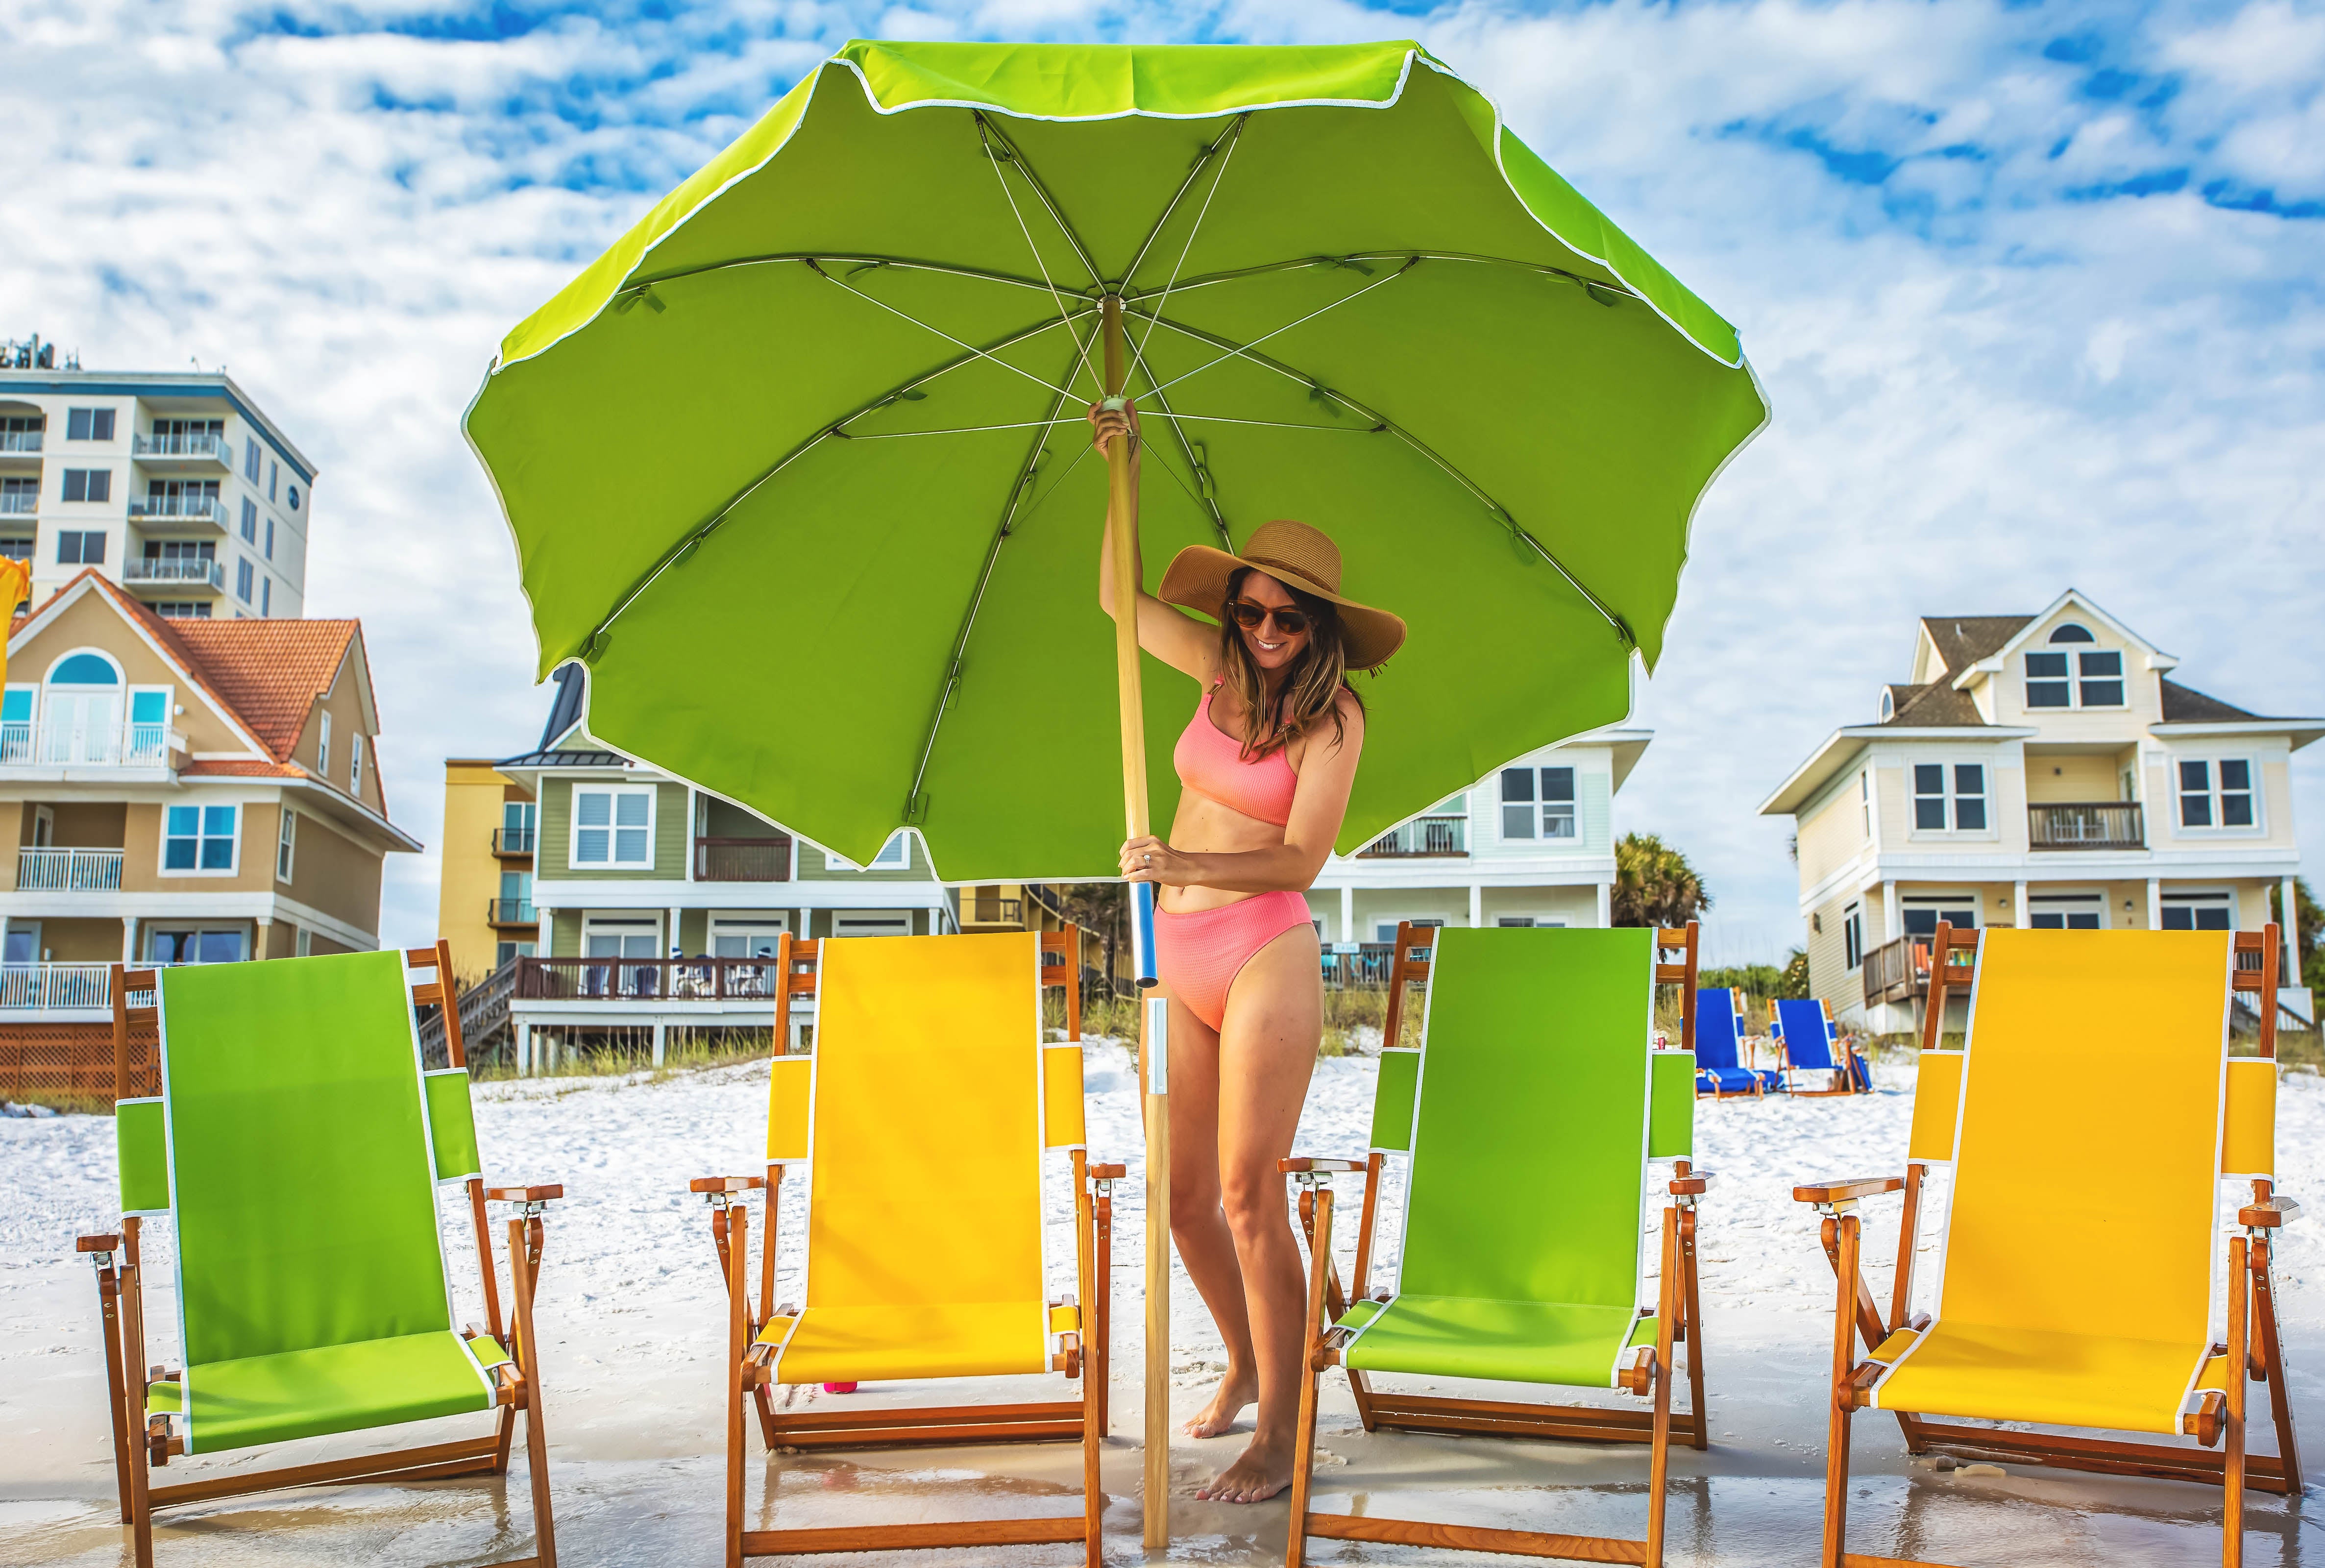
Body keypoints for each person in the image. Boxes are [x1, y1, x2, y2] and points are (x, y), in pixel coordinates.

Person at [1089, 399, 1405, 1504]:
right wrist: (1118, 469)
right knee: (1180, 1200)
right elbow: (1114, 602)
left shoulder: (1335, 723)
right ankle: (1240, 1355)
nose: (1268, 631)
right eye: (1255, 609)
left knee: (1247, 1192)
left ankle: (1282, 1428)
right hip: (1174, 951)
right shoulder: (1216, 672)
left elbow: (1299, 859)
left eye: (1291, 618)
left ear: (1322, 626)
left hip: (1263, 948)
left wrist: (1182, 856)